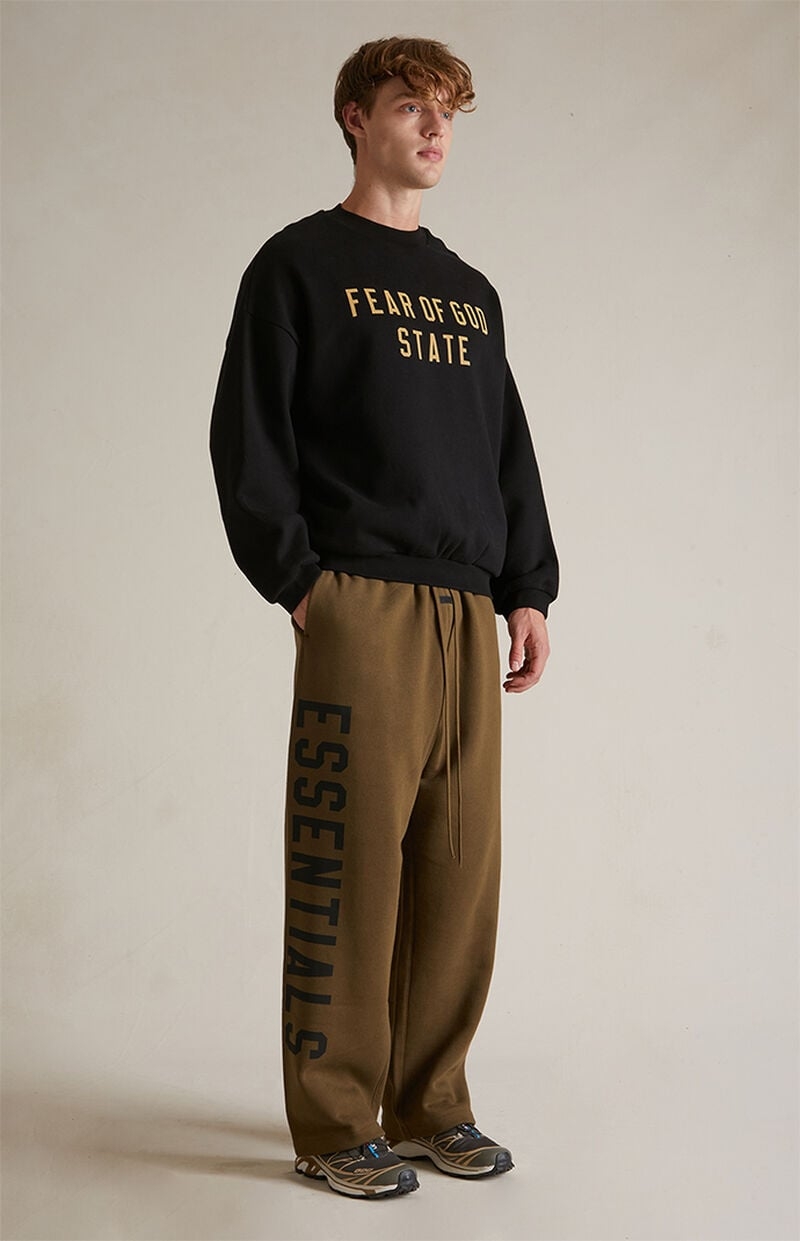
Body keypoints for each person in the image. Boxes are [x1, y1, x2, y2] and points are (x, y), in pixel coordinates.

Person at [209, 35, 559, 1200]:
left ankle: (428, 1102)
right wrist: (300, 579)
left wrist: (527, 586)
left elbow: (505, 450)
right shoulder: (299, 265)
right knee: (347, 863)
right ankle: (331, 1119)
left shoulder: (469, 293)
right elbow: (249, 433)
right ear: (355, 118)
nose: (434, 127)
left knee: (458, 868)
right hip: (358, 597)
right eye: (410, 105)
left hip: (466, 604)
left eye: (447, 109)